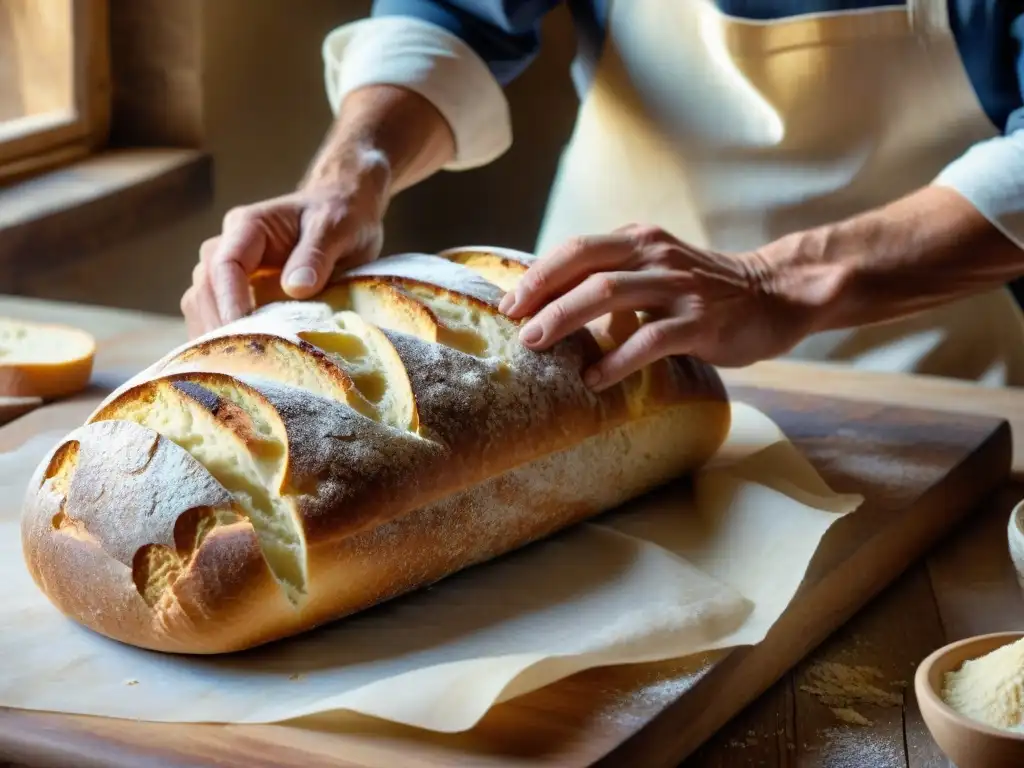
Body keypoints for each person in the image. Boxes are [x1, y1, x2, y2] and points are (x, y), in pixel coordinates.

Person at [182, 1, 1024, 392]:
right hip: (590, 345)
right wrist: (351, 172)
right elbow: (454, 15)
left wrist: (773, 281)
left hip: (922, 379)